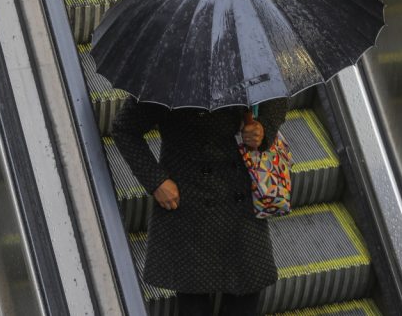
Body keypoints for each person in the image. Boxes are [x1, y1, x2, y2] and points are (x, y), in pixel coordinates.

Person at [111, 97, 289, 316]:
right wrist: (156, 181)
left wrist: (264, 127)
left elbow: (277, 94)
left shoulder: (249, 65)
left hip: (241, 203)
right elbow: (123, 128)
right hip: (190, 202)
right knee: (194, 301)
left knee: (247, 292)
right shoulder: (172, 75)